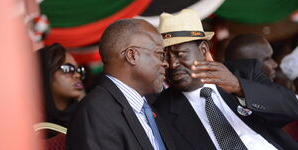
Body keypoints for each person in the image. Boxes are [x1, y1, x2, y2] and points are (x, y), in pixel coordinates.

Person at [153, 9, 298, 150]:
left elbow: (291, 108)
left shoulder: (244, 72)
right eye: (164, 57)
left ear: (203, 50)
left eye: (180, 54)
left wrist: (238, 87)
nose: (173, 64)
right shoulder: (162, 110)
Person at [67, 19, 175, 150]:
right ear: (132, 55)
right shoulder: (95, 113)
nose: (166, 63)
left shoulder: (147, 107)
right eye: (160, 54)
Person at [37, 43, 85, 128]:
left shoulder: (86, 118)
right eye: (68, 69)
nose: (77, 75)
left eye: (79, 69)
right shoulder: (25, 123)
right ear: (45, 74)